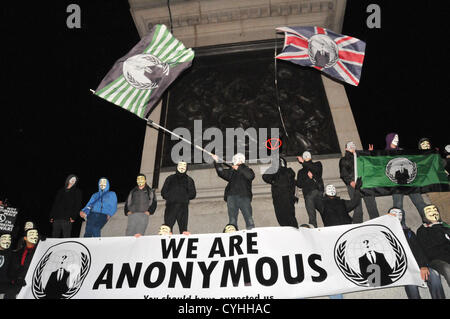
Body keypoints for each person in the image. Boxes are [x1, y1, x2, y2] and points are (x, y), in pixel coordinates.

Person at [387, 207, 445, 298]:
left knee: (433, 274)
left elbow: (418, 250)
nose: (397, 215)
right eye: (393, 213)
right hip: (400, 267)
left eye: (400, 214)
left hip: (415, 264)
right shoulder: (383, 231)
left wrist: (423, 265)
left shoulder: (409, 233)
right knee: (410, 279)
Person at [384, 133, 427, 219]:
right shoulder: (383, 154)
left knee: (420, 202)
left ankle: (429, 222)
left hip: (410, 182)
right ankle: (401, 226)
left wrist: (428, 153)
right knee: (398, 205)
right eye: (394, 140)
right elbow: (379, 167)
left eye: (397, 140)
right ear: (389, 140)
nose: (396, 142)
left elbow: (414, 161)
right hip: (396, 184)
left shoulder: (403, 151)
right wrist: (370, 154)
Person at [212, 153, 256, 230]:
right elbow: (221, 172)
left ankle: (251, 231)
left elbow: (250, 176)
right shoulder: (231, 171)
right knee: (232, 219)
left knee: (248, 217)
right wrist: (217, 162)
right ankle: (232, 231)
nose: (236, 160)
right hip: (231, 196)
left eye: (238, 158)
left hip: (243, 196)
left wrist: (239, 168)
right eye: (235, 159)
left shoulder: (248, 170)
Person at [339, 142, 379, 223]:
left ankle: (377, 224)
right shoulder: (343, 160)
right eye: (350, 146)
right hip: (353, 186)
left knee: (372, 206)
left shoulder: (362, 157)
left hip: (365, 184)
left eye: (353, 146)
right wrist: (350, 182)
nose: (352, 147)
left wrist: (370, 154)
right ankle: (357, 226)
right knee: (357, 208)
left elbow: (370, 166)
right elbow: (343, 173)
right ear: (346, 149)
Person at [416, 204, 450, 287]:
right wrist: (423, 265)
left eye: (435, 210)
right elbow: (422, 249)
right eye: (429, 211)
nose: (433, 213)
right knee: (447, 268)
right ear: (424, 215)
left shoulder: (445, 226)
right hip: (436, 260)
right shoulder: (422, 230)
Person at [262, 156, 298, 228]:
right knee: (280, 216)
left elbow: (293, 184)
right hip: (278, 198)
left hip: (287, 197)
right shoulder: (275, 172)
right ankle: (285, 231)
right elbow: (265, 176)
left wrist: (294, 196)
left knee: (290, 216)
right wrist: (273, 181)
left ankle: (294, 231)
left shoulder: (289, 171)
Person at [161, 162, 196, 234]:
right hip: (171, 206)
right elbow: (163, 192)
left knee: (183, 230)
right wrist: (171, 197)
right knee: (167, 229)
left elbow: (193, 194)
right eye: (180, 165)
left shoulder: (189, 180)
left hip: (183, 206)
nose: (182, 167)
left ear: (186, 168)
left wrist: (184, 197)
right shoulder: (170, 178)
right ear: (177, 167)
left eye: (184, 166)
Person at [4, 228, 40, 299]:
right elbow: (11, 270)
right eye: (32, 234)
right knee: (9, 293)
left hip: (33, 282)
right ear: (25, 238)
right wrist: (16, 279)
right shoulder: (17, 253)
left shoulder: (39, 251)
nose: (35, 236)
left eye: (36, 234)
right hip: (19, 282)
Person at [296, 151, 324, 228]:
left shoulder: (317, 164)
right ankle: (313, 232)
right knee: (312, 217)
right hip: (308, 194)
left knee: (325, 212)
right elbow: (299, 184)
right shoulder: (301, 172)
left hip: (318, 191)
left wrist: (304, 163)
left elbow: (317, 171)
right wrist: (308, 179)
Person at [49, 174, 83, 238]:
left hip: (67, 218)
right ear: (68, 179)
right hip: (57, 217)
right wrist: (52, 216)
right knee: (54, 236)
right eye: (72, 179)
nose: (73, 180)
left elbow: (78, 205)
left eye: (75, 180)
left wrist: (73, 216)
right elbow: (55, 204)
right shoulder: (60, 191)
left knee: (66, 237)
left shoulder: (77, 191)